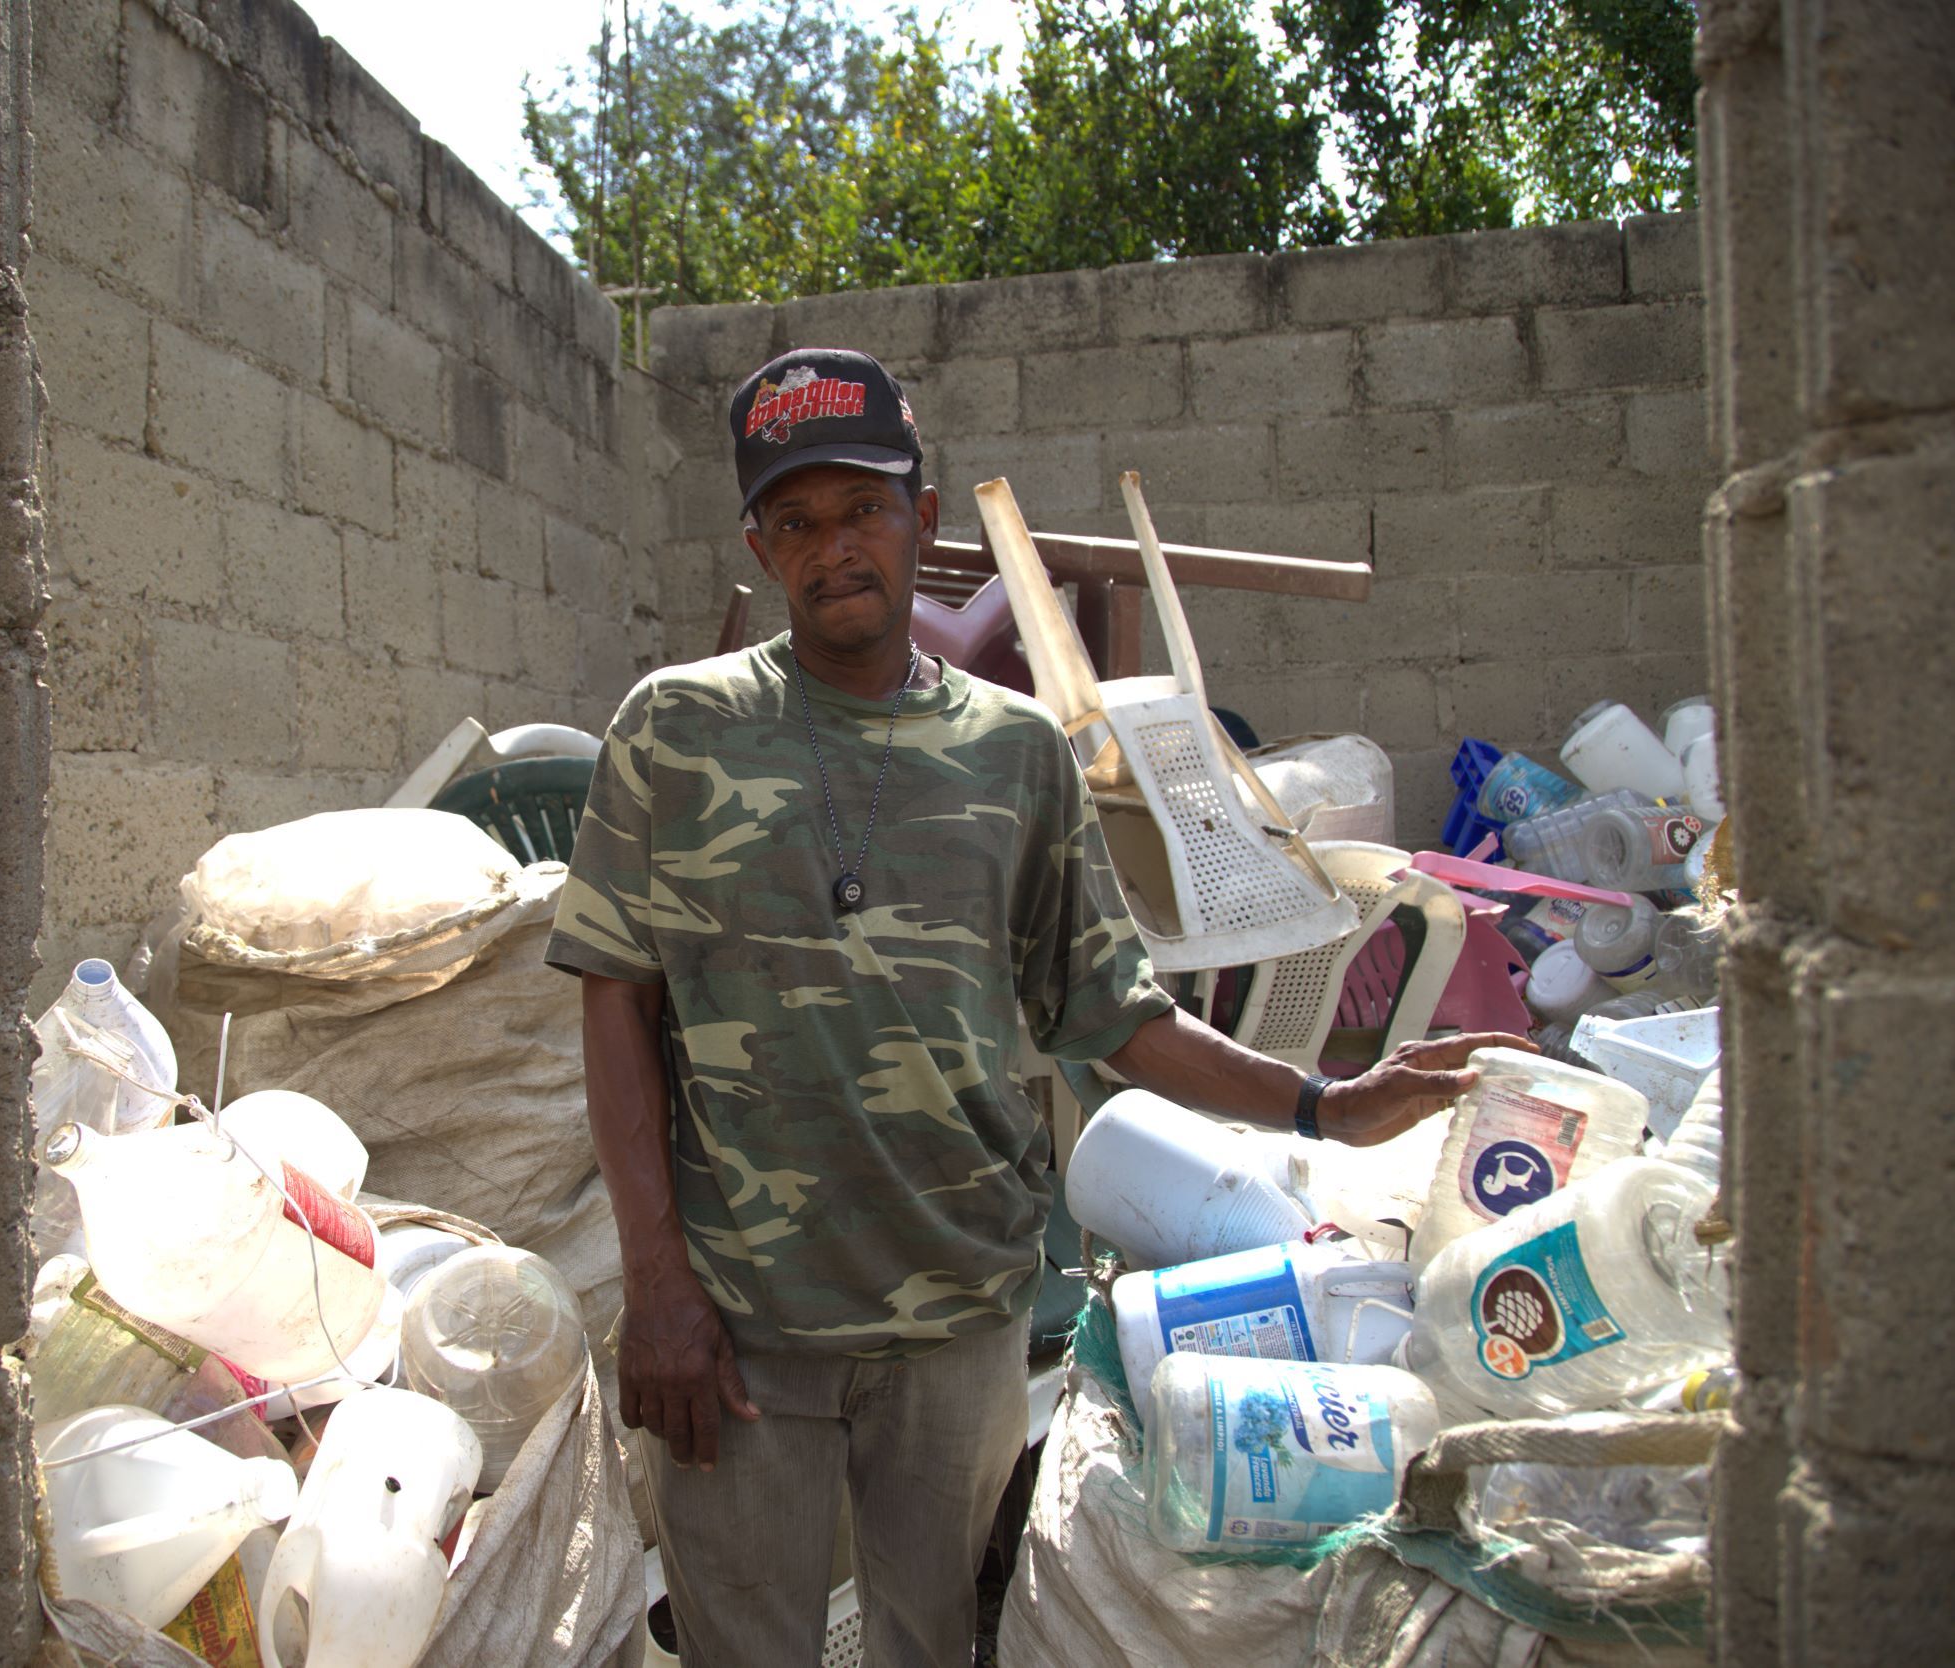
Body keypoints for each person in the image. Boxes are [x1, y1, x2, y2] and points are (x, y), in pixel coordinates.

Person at [544, 347, 1525, 1667]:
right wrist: (654, 1283)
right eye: (798, 521)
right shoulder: (674, 733)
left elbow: (1114, 1017)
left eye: (865, 511)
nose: (836, 548)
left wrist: (1332, 1108)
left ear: (923, 518)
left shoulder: (1015, 754)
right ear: (761, 545)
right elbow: (617, 1007)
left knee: (938, 1643)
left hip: (959, 1317)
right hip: (738, 1327)